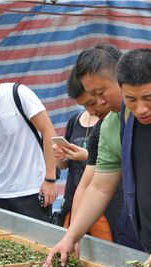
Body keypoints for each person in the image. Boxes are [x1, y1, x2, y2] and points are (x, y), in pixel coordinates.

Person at [46, 47, 151, 267]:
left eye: (148, 98)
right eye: (131, 99)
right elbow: (100, 187)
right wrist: (70, 238)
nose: (141, 108)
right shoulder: (123, 116)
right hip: (145, 242)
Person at [0, 62, 57, 221]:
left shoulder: (17, 94)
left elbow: (48, 131)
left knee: (37, 243)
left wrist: (50, 179)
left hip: (31, 191)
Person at [52, 68, 123, 242]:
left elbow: (109, 170)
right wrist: (61, 157)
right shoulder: (75, 120)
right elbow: (68, 168)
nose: (91, 110)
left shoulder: (112, 122)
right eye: (84, 105)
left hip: (108, 204)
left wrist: (86, 156)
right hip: (76, 198)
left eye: (92, 102)